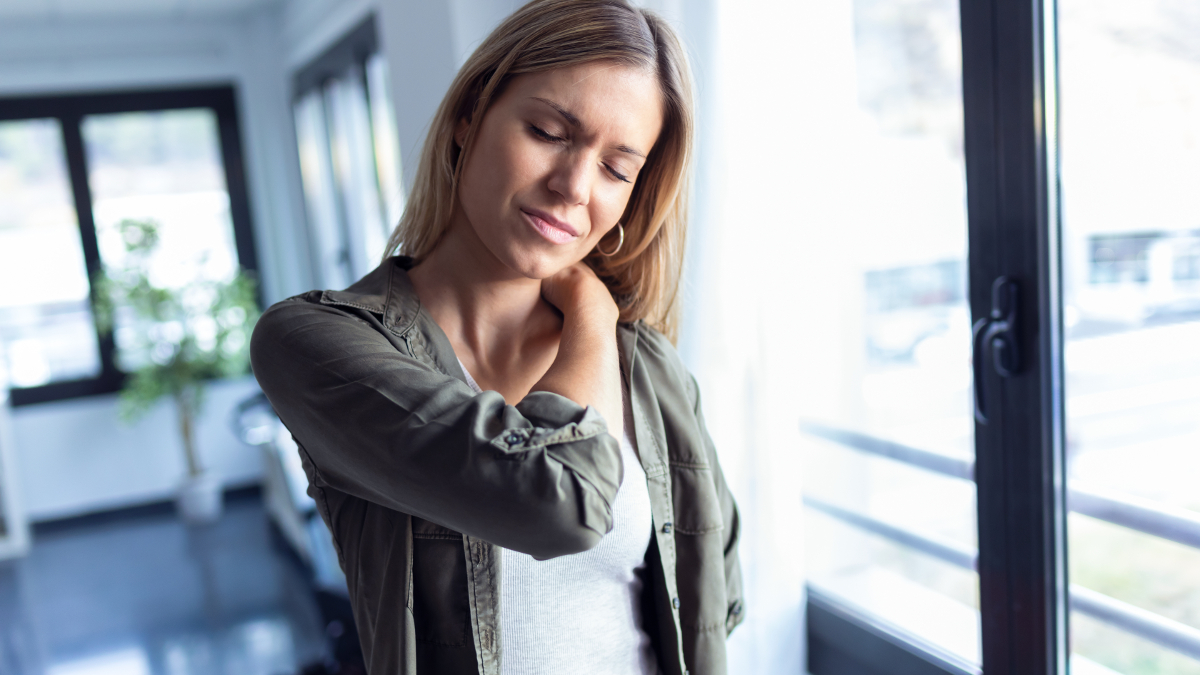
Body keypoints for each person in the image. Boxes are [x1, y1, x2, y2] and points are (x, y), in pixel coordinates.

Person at [250, 1, 743, 673]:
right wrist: (591, 315)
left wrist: (601, 324)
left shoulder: (648, 368)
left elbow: (712, 598)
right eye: (548, 130)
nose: (573, 186)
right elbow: (555, 503)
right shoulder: (313, 342)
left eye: (616, 169)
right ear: (468, 116)